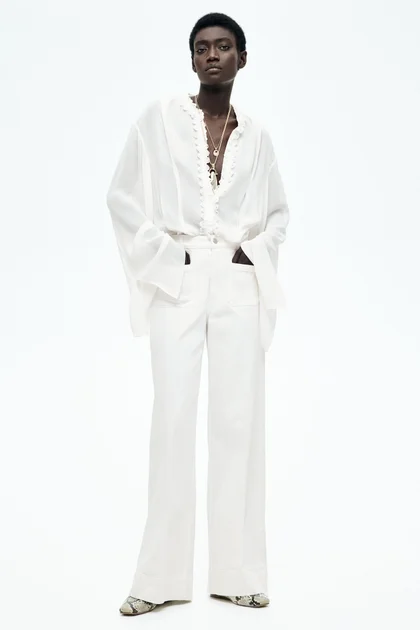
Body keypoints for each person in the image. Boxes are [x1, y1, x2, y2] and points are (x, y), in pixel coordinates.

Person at [106, 11, 290, 616]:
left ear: (242, 58)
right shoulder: (159, 121)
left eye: (224, 46)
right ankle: (157, 579)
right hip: (178, 274)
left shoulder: (257, 137)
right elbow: (121, 196)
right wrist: (169, 256)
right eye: (202, 47)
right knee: (173, 420)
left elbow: (279, 214)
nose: (212, 55)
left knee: (239, 421)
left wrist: (249, 254)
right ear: (191, 59)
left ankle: (239, 573)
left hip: (237, 279)